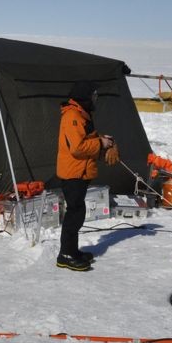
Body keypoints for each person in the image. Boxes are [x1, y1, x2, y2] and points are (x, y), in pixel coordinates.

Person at [56, 80, 116, 271]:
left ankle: (72, 251)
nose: (95, 99)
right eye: (93, 96)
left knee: (77, 212)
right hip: (73, 172)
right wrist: (100, 143)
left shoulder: (82, 114)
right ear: (84, 97)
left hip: (80, 171)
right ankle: (65, 254)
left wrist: (104, 141)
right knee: (75, 213)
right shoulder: (72, 116)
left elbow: (85, 139)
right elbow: (78, 147)